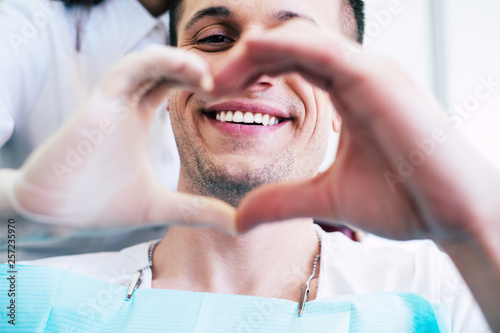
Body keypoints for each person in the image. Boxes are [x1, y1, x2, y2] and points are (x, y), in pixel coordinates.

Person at [7, 0, 499, 331]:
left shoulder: (442, 288)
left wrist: (474, 228)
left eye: (298, 49)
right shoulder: (31, 295)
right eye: (216, 38)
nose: (249, 71)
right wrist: (17, 206)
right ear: (168, 89)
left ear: (343, 100)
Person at [0, 0, 183, 259]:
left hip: (162, 276)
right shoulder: (29, 22)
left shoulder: (219, 30)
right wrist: (20, 195)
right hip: (32, 271)